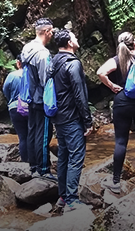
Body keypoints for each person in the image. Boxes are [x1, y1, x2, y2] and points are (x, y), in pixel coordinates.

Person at [96, 31, 135, 194]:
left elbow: (100, 72)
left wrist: (111, 86)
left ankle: (115, 182)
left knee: (121, 142)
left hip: (122, 102)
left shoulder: (117, 60)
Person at [47, 29, 93, 213]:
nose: (76, 37)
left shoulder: (54, 62)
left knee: (64, 157)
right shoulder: (73, 64)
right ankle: (72, 199)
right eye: (74, 36)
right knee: (76, 157)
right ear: (69, 43)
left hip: (58, 117)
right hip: (71, 117)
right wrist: (88, 121)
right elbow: (80, 95)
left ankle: (62, 197)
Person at [19, 18, 54, 178]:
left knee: (32, 131)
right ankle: (43, 169)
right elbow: (45, 78)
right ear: (46, 32)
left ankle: (33, 166)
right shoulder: (42, 53)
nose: (53, 34)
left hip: (29, 97)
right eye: (52, 31)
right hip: (41, 98)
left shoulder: (27, 48)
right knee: (44, 133)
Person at [2, 60, 29, 162]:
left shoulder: (11, 75)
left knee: (22, 136)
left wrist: (11, 99)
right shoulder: (31, 75)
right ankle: (34, 161)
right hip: (30, 107)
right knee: (31, 134)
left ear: (18, 63)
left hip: (15, 107)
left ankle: (25, 160)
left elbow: (5, 90)